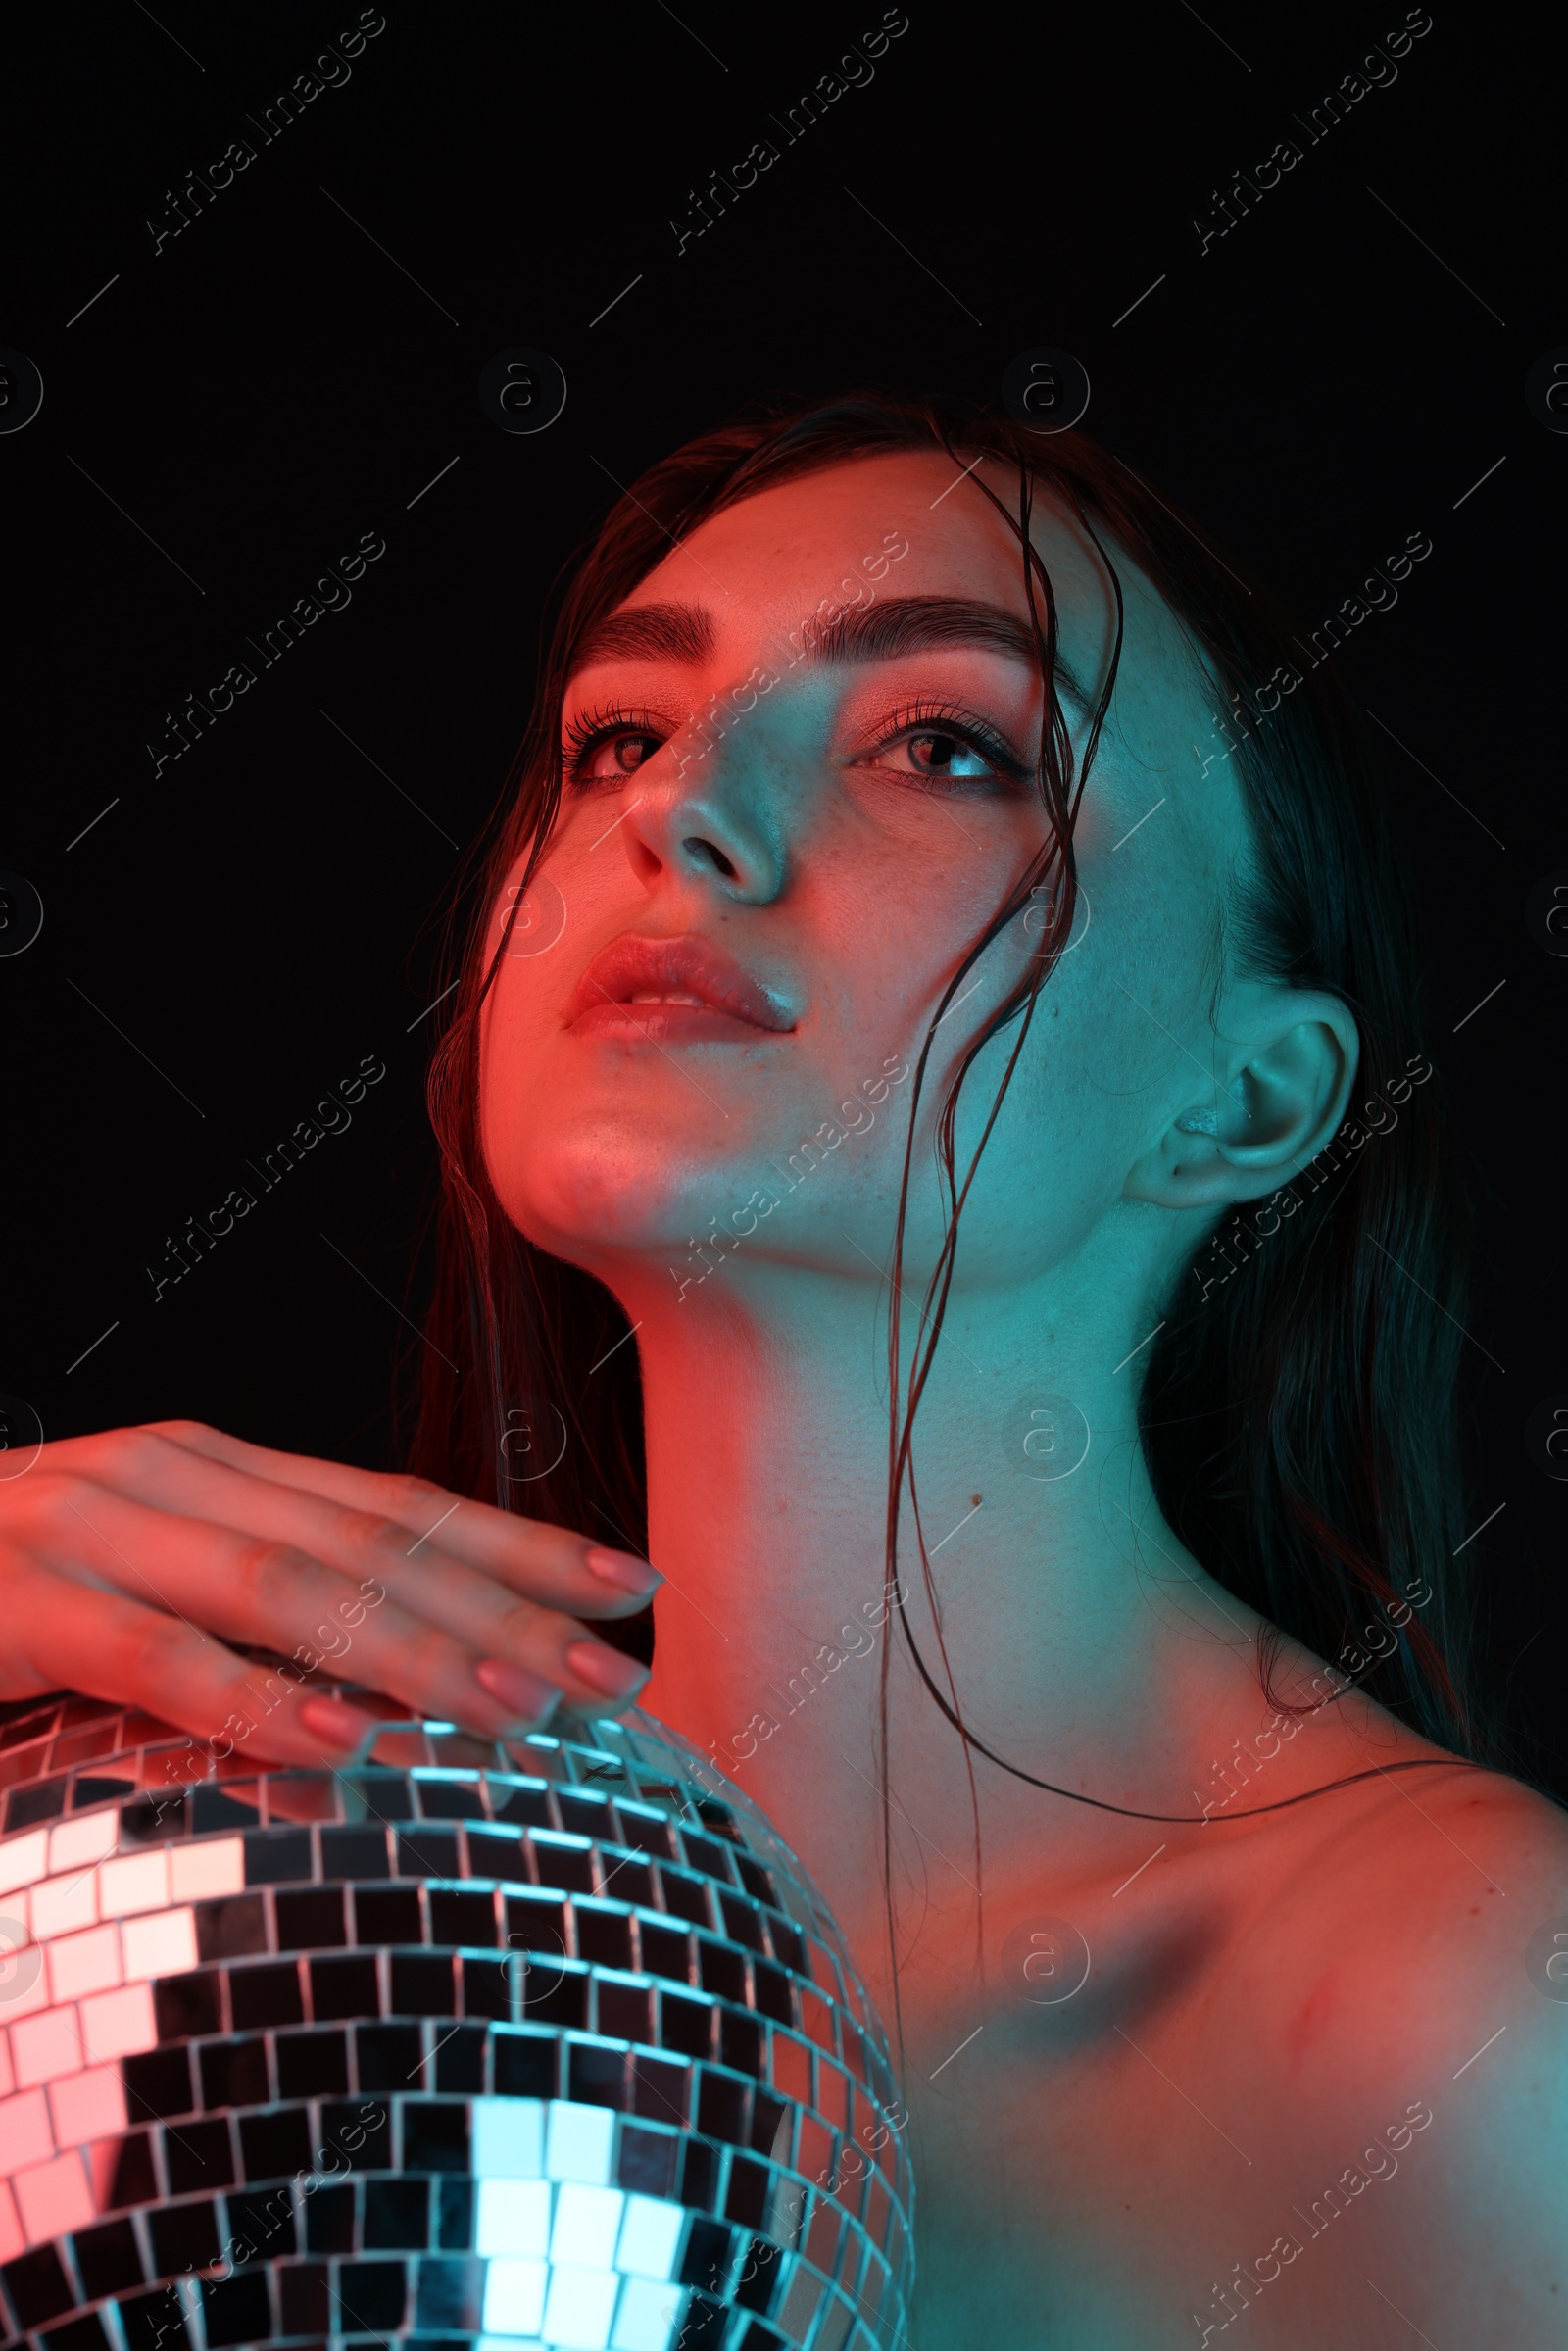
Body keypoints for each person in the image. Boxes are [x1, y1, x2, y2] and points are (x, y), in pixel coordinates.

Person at [4, 393, 1564, 2345]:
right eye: (614, 738)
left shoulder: (1467, 2015)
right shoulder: (203, 1897)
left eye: (939, 745)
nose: (678, 806)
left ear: (1239, 1099)